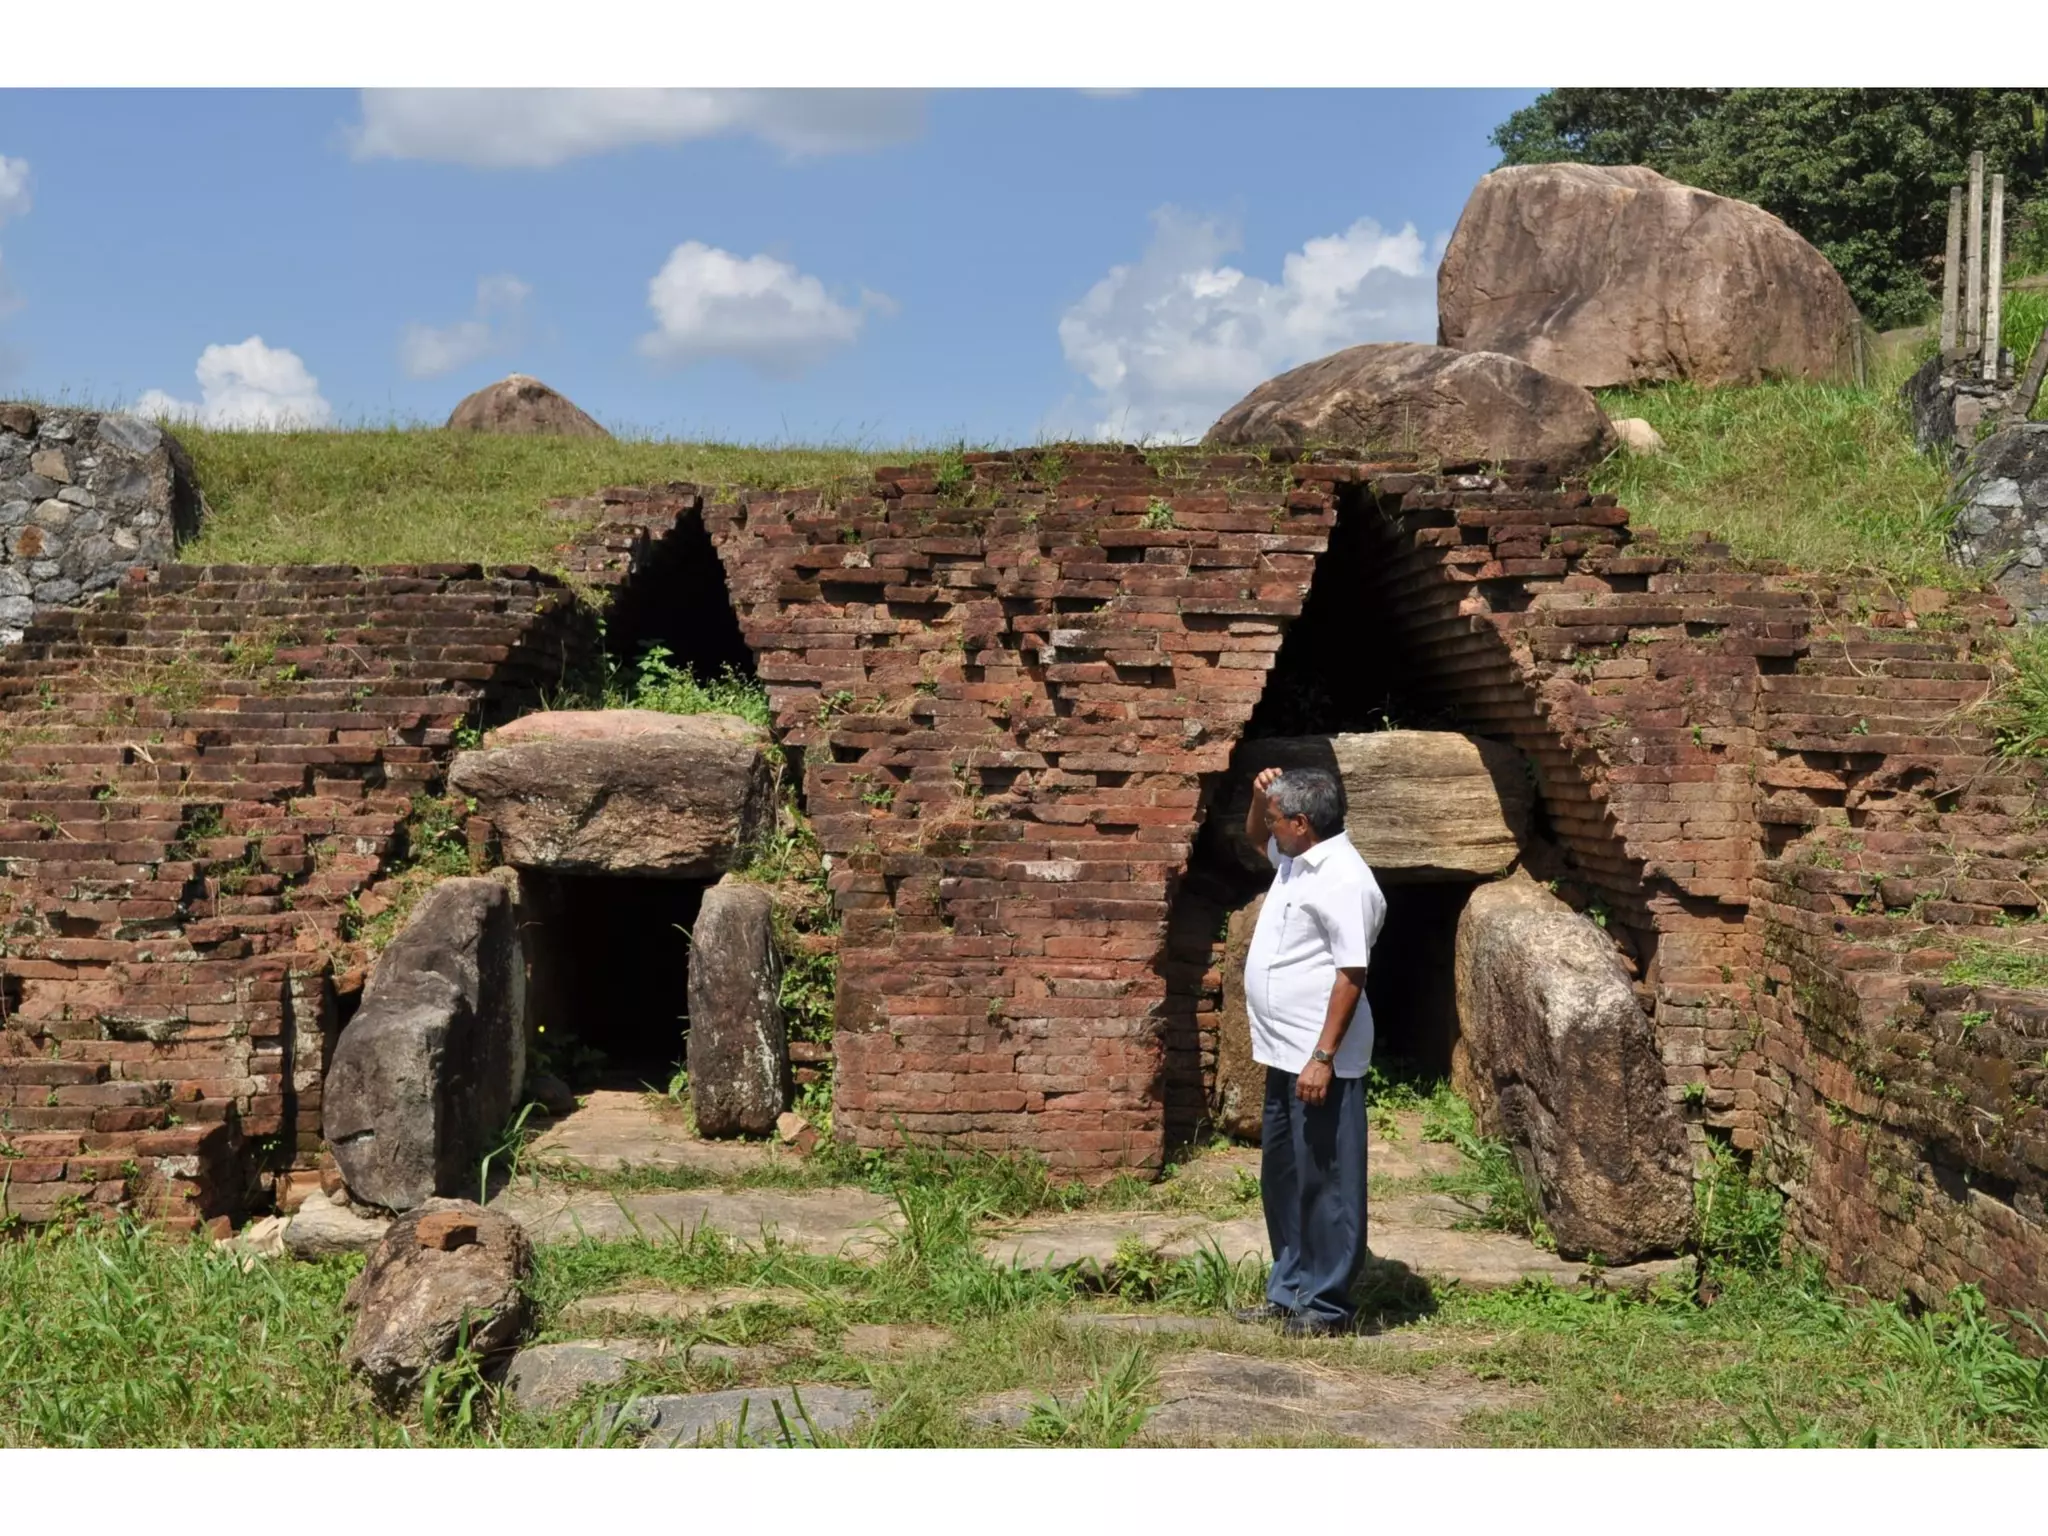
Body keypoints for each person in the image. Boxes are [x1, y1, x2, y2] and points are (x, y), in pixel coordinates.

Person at [1233, 764, 1388, 1336]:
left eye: (1276, 817)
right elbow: (1256, 838)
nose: (1268, 827)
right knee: (1284, 1176)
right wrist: (1259, 797)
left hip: (1320, 1061)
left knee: (1327, 1182)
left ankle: (1327, 1306)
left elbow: (1351, 973)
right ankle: (1290, 1290)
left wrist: (1322, 1057)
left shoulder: (1344, 879)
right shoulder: (1297, 859)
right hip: (1282, 1054)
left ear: (1302, 823)